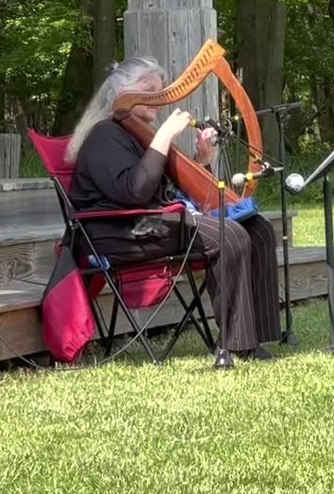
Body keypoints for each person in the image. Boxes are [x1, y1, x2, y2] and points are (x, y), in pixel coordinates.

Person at [65, 56, 280, 362]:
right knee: (227, 235)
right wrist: (165, 135)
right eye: (149, 90)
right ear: (122, 92)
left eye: (160, 91)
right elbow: (135, 192)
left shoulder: (141, 134)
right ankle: (236, 344)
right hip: (116, 231)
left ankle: (258, 334)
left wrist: (203, 161)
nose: (158, 97)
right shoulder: (104, 135)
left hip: (149, 223)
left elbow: (166, 189)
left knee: (258, 229)